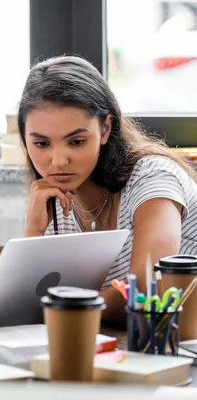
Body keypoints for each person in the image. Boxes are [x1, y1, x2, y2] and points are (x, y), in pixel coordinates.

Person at [18, 55, 197, 322]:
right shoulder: (54, 197)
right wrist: (34, 231)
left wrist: (60, 309)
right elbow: (25, 304)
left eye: (76, 141)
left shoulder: (153, 178)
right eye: (42, 144)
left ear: (105, 128)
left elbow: (147, 290)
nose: (58, 161)